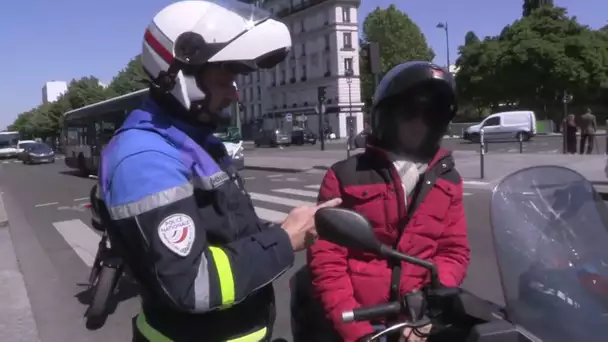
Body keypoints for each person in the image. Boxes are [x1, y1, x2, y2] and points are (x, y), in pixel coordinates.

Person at [96, 1, 341, 341]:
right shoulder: (145, 157)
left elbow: (227, 233)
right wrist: (285, 239)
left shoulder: (194, 142)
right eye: (225, 78)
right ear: (182, 77)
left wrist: (288, 226)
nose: (235, 93)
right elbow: (190, 284)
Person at [307, 62, 471, 342]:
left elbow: (453, 252)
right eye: (410, 112)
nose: (419, 123)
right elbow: (328, 262)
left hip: (417, 322)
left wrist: (427, 312)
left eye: (431, 115)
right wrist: (355, 332)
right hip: (360, 323)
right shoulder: (346, 175)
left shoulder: (448, 180)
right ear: (388, 114)